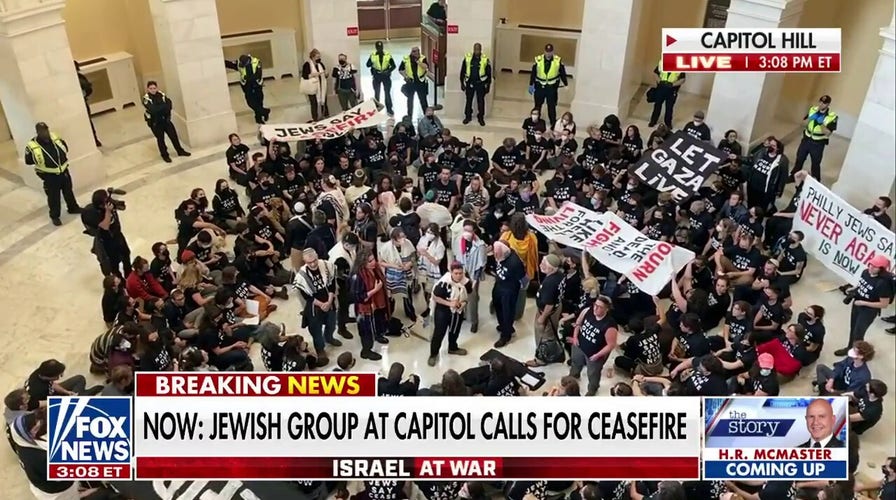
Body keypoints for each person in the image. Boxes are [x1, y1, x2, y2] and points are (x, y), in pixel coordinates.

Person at [23, 122, 82, 226]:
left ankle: (73, 207)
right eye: (42, 131)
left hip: (63, 171)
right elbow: (28, 161)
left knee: (68, 190)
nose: (45, 133)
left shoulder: (55, 138)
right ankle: (55, 216)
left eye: (46, 130)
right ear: (38, 132)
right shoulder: (32, 146)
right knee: (53, 197)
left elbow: (65, 147)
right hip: (49, 175)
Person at [835, 254, 892, 356]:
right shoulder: (865, 272)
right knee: (853, 328)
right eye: (870, 264)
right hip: (857, 304)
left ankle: (856, 354)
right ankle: (850, 348)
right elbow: (863, 284)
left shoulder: (883, 284)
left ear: (881, 269)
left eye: (875, 266)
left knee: (858, 333)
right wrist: (854, 289)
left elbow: (884, 304)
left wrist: (864, 303)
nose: (871, 267)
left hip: (868, 311)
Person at [293, 248, 337, 366]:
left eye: (314, 261)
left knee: (332, 323)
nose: (313, 264)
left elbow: (332, 284)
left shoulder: (327, 266)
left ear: (317, 257)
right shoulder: (301, 276)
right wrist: (322, 304)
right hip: (314, 306)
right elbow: (307, 297)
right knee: (316, 330)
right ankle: (320, 349)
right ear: (304, 261)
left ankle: (329, 337)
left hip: (329, 300)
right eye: (309, 262)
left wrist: (329, 301)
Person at [569, 295, 618, 396]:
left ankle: (592, 389)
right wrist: (575, 337)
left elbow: (611, 345)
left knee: (593, 374)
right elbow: (578, 323)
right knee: (575, 363)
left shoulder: (610, 325)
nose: (595, 308)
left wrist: (598, 355)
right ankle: (573, 377)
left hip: (594, 354)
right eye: (595, 305)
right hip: (579, 346)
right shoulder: (587, 311)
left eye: (600, 307)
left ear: (606, 309)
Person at [428, 262, 472, 366]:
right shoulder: (444, 282)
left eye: (461, 273)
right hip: (443, 310)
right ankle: (433, 354)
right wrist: (450, 303)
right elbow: (435, 297)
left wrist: (463, 303)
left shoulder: (466, 282)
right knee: (439, 333)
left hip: (457, 311)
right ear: (451, 272)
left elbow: (468, 295)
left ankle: (453, 348)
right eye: (456, 273)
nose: (458, 276)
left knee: (454, 331)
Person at [82, 189, 132, 278]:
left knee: (126, 254)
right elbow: (105, 226)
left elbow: (123, 207)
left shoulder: (109, 203)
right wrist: (108, 211)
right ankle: (119, 279)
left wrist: (116, 204)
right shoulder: (91, 213)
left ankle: (129, 274)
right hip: (106, 242)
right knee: (113, 264)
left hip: (117, 235)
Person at [350, 247, 389, 360]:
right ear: (363, 263)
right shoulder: (357, 276)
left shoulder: (374, 268)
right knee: (366, 330)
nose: (374, 262)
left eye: (373, 259)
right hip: (365, 308)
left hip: (376, 304)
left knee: (378, 321)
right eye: (370, 261)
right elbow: (359, 297)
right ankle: (366, 351)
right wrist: (376, 290)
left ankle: (378, 335)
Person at [528, 254, 564, 367]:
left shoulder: (550, 283)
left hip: (547, 312)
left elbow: (549, 304)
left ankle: (541, 359)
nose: (540, 265)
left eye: (544, 264)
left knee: (544, 336)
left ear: (552, 268)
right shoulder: (560, 275)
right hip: (556, 308)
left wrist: (542, 318)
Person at [142, 81, 190, 162]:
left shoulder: (162, 95)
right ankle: (165, 155)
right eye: (151, 88)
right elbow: (153, 110)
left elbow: (169, 104)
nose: (153, 90)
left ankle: (180, 151)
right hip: (155, 122)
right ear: (148, 89)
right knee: (161, 139)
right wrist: (163, 107)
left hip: (166, 120)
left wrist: (161, 108)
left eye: (154, 88)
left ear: (157, 88)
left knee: (173, 136)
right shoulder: (146, 99)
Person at [791, 94, 837, 180]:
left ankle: (815, 181)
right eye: (820, 102)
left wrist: (821, 124)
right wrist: (811, 118)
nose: (821, 104)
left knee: (815, 164)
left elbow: (828, 133)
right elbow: (803, 123)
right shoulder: (812, 110)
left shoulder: (831, 116)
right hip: (806, 139)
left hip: (818, 143)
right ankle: (793, 176)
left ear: (828, 105)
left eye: (824, 103)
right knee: (799, 159)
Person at [453, 219, 487, 332]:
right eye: (465, 230)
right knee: (460, 294)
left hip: (473, 273)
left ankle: (474, 321)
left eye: (469, 230)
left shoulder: (480, 245)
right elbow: (456, 255)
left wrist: (476, 280)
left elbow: (481, 263)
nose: (466, 232)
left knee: (472, 298)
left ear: (474, 231)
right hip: (461, 271)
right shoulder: (460, 240)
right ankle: (462, 314)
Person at [328, 232, 359, 340]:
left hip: (345, 278)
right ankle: (341, 328)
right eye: (353, 246)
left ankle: (345, 317)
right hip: (338, 282)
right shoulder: (339, 257)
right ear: (346, 244)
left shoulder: (346, 247)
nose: (354, 248)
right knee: (343, 304)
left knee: (348, 300)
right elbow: (342, 275)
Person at [529, 44, 568, 127]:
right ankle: (536, 121)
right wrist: (531, 84)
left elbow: (562, 73)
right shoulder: (538, 60)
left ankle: (553, 122)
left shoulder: (557, 60)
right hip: (540, 86)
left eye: (550, 52)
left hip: (551, 87)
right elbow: (533, 72)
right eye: (547, 52)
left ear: (553, 52)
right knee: (538, 105)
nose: (548, 54)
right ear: (544, 51)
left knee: (551, 106)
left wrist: (566, 84)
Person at [225, 54, 270, 124]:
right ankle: (264, 111)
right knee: (250, 103)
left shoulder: (256, 62)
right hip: (247, 86)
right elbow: (230, 64)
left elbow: (257, 75)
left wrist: (247, 77)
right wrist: (221, 61)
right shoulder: (239, 63)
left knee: (259, 101)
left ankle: (259, 118)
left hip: (257, 85)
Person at [460, 43, 492, 126]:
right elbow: (462, 71)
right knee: (468, 101)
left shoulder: (485, 59)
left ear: (481, 50)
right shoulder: (468, 58)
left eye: (478, 49)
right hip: (469, 83)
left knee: (480, 101)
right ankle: (468, 116)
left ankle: (480, 117)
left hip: (480, 84)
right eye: (475, 49)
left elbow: (489, 74)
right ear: (473, 49)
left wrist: (488, 86)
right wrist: (462, 83)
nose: (477, 51)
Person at [648, 59, 685, 127]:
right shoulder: (662, 63)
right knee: (657, 105)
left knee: (669, 107)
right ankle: (653, 121)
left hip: (672, 90)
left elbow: (682, 79)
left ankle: (668, 123)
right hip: (661, 88)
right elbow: (655, 73)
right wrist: (659, 81)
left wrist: (672, 85)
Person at [74, 60, 101, 146]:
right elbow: (89, 89)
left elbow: (88, 89)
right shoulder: (81, 77)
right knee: (88, 122)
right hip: (83, 102)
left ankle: (93, 140)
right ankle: (94, 140)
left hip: (82, 103)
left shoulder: (79, 79)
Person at [366, 41, 396, 115]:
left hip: (386, 76)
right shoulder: (373, 55)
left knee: (387, 93)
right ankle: (376, 108)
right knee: (377, 93)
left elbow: (393, 66)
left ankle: (389, 108)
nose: (380, 49)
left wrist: (388, 71)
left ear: (383, 47)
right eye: (378, 47)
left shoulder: (387, 55)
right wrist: (372, 63)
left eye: (381, 47)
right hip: (377, 75)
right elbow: (367, 64)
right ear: (376, 48)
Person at [399, 47, 429, 117]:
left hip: (420, 82)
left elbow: (426, 67)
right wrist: (405, 76)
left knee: (423, 100)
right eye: (415, 52)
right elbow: (400, 69)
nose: (417, 53)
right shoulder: (406, 59)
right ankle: (410, 116)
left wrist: (418, 62)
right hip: (411, 82)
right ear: (411, 52)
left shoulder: (422, 58)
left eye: (418, 51)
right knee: (410, 100)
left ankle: (427, 115)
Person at [302, 49, 328, 121]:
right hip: (313, 88)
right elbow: (305, 76)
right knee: (314, 103)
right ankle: (315, 118)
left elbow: (325, 73)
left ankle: (324, 115)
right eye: (317, 57)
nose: (319, 59)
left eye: (319, 57)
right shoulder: (307, 65)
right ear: (312, 57)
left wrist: (326, 74)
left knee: (324, 101)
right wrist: (314, 74)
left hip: (322, 86)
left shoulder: (320, 64)